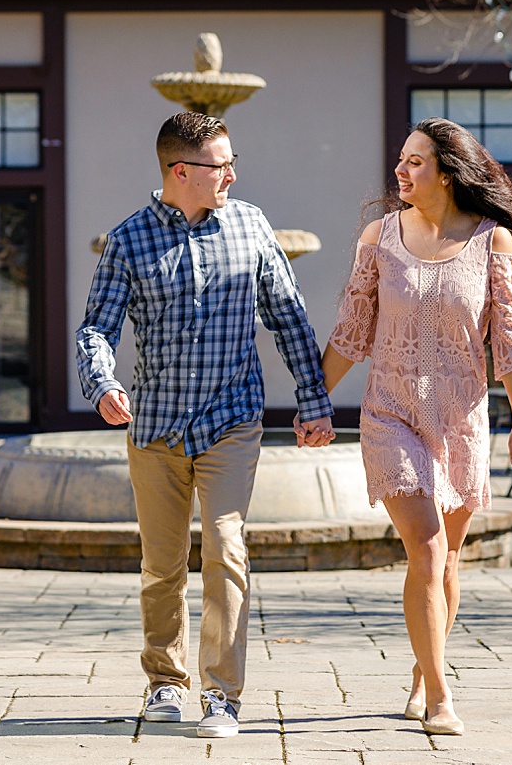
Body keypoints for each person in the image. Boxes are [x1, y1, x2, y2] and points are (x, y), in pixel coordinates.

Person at [76, 111, 335, 739]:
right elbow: (96, 330)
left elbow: (289, 316)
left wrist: (314, 399)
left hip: (231, 421)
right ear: (182, 172)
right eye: (222, 165)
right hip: (157, 427)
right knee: (162, 565)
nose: (233, 174)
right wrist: (103, 383)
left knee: (226, 549)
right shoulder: (129, 240)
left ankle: (222, 696)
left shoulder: (250, 225)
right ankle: (165, 682)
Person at [321, 117, 512, 737]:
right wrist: (312, 400)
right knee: (425, 545)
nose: (401, 170)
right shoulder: (380, 237)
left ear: (447, 171)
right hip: (390, 412)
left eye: (414, 161)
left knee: (447, 562)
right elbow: (352, 329)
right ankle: (441, 697)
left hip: (462, 420)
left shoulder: (491, 241)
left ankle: (423, 669)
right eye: (401, 159)